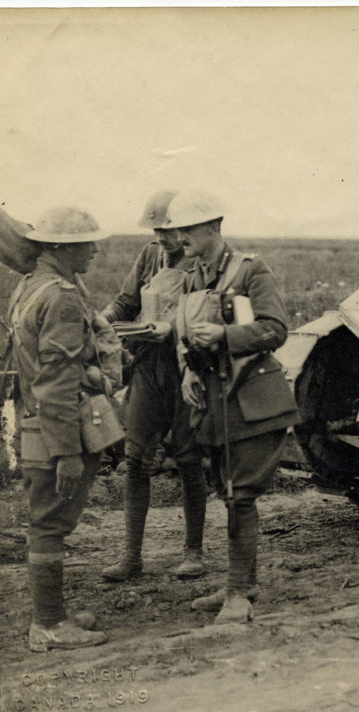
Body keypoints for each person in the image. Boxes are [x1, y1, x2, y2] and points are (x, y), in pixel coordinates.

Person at [166, 190, 297, 623]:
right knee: (227, 491)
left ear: (214, 227)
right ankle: (244, 582)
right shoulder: (191, 278)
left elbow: (275, 329)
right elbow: (186, 337)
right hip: (213, 399)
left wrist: (224, 338)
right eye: (177, 230)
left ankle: (238, 594)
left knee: (241, 496)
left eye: (188, 229)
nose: (180, 237)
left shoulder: (249, 271)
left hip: (252, 399)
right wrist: (188, 369)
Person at [9, 206, 115, 651]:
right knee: (50, 524)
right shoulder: (64, 298)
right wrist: (68, 452)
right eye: (87, 242)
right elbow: (58, 381)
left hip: (36, 423)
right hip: (58, 429)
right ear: (63, 247)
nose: (94, 249)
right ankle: (49, 625)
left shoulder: (30, 287)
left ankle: (53, 617)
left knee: (47, 522)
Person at [101, 191, 208, 581]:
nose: (161, 237)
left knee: (188, 457)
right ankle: (131, 556)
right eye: (156, 230)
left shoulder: (203, 261)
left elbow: (210, 316)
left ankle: (193, 551)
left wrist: (175, 329)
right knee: (135, 459)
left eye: (168, 229)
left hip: (185, 367)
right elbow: (126, 302)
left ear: (186, 227)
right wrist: (103, 321)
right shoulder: (149, 256)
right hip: (148, 367)